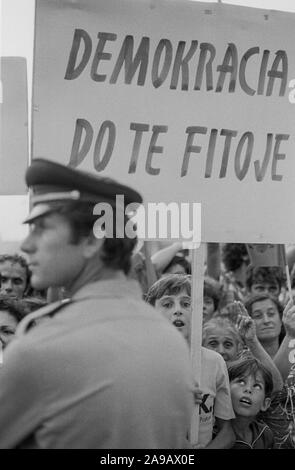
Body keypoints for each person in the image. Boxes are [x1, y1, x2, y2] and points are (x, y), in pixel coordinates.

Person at [0, 158, 193, 449]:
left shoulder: (41, 349)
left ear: (91, 240)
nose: (27, 244)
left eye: (40, 228)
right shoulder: (171, 339)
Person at [146, 274, 235, 449]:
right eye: (167, 304)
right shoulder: (141, 362)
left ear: (199, 312)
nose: (178, 310)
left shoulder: (214, 362)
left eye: (186, 304)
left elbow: (228, 433)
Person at [228, 357, 274, 449]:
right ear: (225, 392)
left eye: (257, 386)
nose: (248, 389)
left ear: (265, 404)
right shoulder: (211, 434)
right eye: (241, 382)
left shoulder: (265, 434)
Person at [245, 293, 285, 359]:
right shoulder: (243, 361)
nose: (266, 321)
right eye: (258, 316)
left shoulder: (292, 353)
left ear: (281, 319)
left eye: (271, 314)